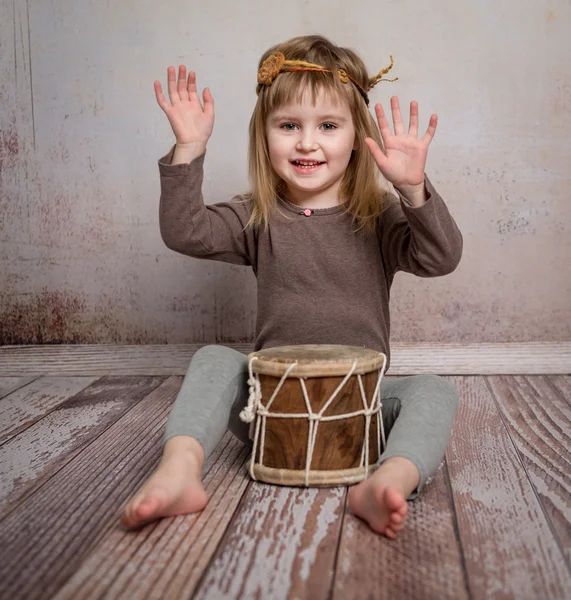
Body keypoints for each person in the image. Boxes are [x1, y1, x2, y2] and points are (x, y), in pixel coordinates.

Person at [120, 34, 463, 540]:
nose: (307, 142)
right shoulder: (257, 216)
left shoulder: (379, 216)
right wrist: (190, 149)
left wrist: (413, 190)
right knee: (214, 359)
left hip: (360, 410)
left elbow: (441, 257)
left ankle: (389, 479)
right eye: (288, 126)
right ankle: (180, 469)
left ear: (356, 136)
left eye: (327, 125)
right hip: (271, 407)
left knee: (433, 391)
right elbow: (184, 231)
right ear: (265, 136)